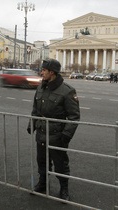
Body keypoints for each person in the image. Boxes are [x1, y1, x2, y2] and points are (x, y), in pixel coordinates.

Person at [27, 58, 80, 201]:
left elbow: (74, 117)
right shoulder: (41, 87)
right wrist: (32, 124)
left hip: (57, 136)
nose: (41, 72)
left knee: (60, 164)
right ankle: (43, 183)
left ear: (52, 72)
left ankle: (64, 188)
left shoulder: (67, 91)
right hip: (41, 134)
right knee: (42, 161)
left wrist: (66, 135)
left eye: (44, 70)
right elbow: (35, 109)